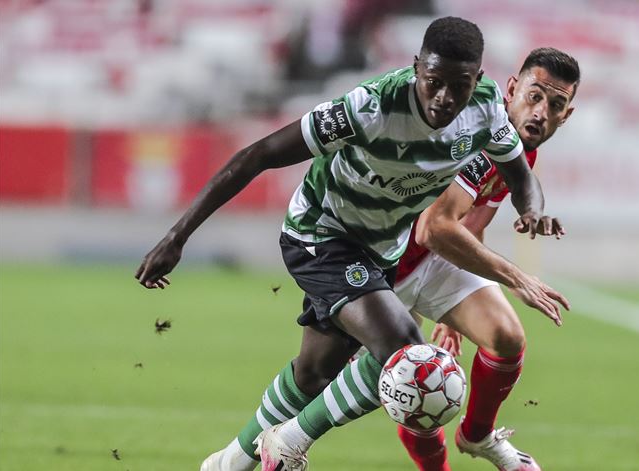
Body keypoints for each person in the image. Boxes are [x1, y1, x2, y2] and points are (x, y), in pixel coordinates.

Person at [134, 16, 566, 471]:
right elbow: (257, 155)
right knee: (405, 351)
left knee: (314, 374)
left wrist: (532, 211)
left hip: (380, 250)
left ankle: (227, 464)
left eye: (458, 85)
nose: (444, 98)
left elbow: (522, 179)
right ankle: (289, 445)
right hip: (321, 234)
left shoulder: (487, 113)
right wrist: (176, 236)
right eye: (433, 82)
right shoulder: (370, 108)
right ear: (417, 66)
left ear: (477, 79)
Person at [394, 47, 580, 471]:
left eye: (555, 105)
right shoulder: (480, 133)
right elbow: (434, 227)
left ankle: (476, 435)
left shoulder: (520, 149)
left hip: (431, 258)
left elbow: (470, 222)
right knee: (409, 388)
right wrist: (518, 279)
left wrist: (447, 311)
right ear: (512, 89)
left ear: (567, 115)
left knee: (506, 338)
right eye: (534, 96)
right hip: (380, 266)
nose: (541, 112)